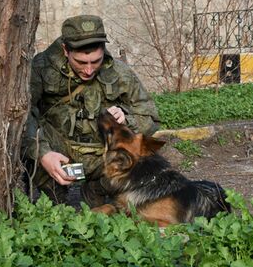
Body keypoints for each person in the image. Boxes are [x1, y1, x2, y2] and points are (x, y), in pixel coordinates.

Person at [22, 15, 160, 206]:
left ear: (103, 50)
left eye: (95, 61)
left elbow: (150, 116)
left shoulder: (119, 72)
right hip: (60, 155)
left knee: (147, 157)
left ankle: (97, 188)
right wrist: (43, 154)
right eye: (81, 62)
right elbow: (23, 114)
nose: (88, 70)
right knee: (29, 151)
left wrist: (127, 119)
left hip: (101, 157)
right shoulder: (40, 69)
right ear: (65, 50)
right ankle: (54, 199)